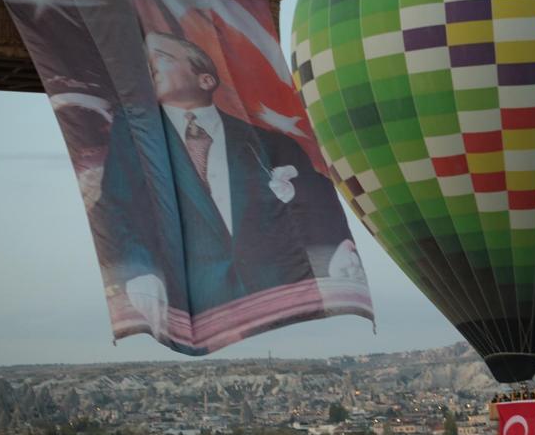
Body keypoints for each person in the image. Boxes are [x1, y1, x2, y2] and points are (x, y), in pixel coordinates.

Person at [95, 32, 361, 346]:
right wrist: (139, 270)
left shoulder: (270, 145)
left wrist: (336, 249)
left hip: (279, 301)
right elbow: (115, 208)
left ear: (205, 80)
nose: (149, 65)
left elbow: (319, 202)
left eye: (162, 57)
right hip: (196, 305)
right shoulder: (135, 143)